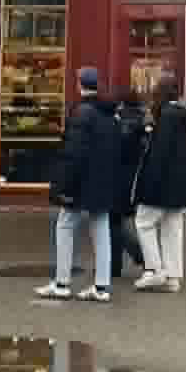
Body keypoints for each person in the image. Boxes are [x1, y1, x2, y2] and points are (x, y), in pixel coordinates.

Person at [37, 68, 123, 303]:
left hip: (82, 183)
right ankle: (101, 286)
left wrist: (65, 185)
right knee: (101, 229)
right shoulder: (110, 113)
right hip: (103, 182)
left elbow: (73, 154)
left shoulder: (81, 113)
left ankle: (62, 282)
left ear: (80, 84)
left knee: (65, 224)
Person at [132, 74, 186, 292]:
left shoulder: (166, 116)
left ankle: (155, 269)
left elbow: (159, 153)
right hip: (180, 184)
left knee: (143, 222)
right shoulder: (184, 115)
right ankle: (173, 276)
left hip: (161, 183)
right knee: (172, 227)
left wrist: (148, 183)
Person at [111, 88, 149, 278]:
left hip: (120, 178)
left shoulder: (122, 122)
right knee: (117, 220)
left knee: (114, 221)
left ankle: (141, 256)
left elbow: (118, 148)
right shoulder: (143, 119)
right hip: (135, 177)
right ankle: (116, 265)